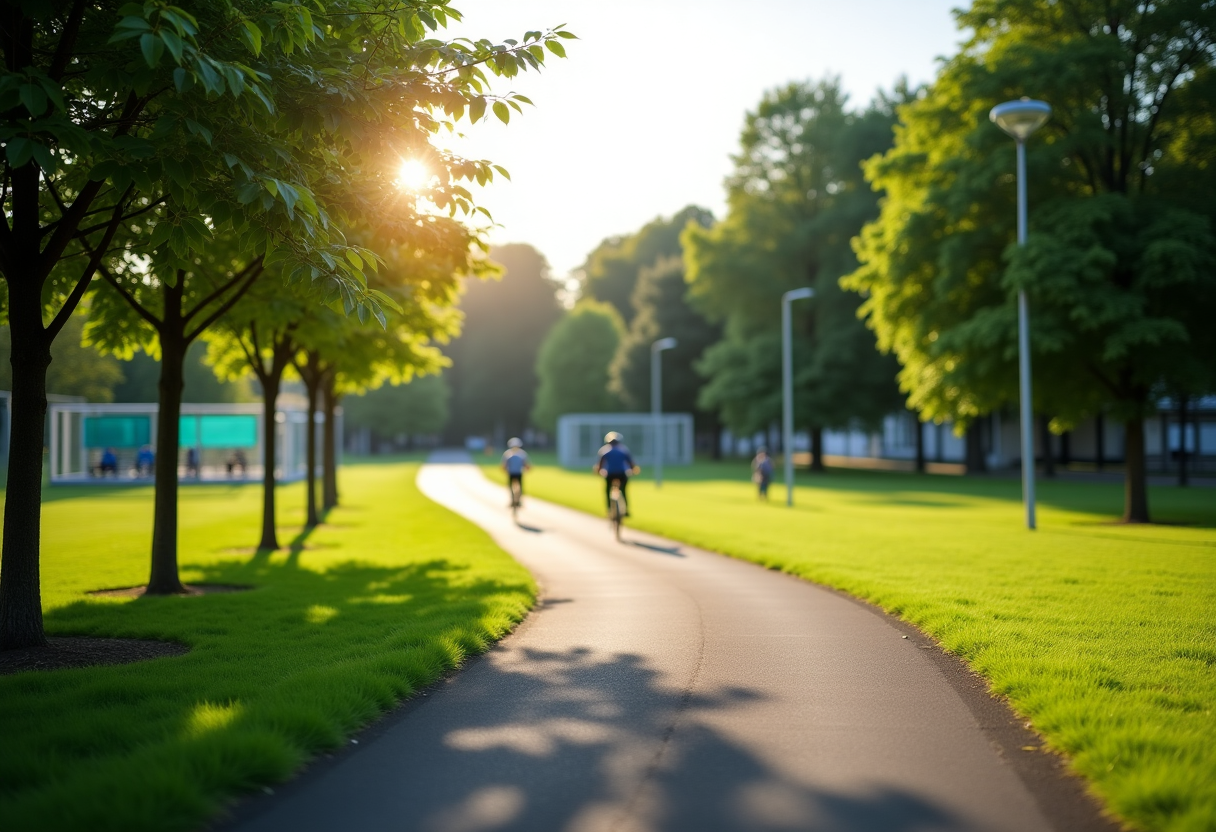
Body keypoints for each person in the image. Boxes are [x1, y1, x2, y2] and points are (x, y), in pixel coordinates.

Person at [594, 432, 639, 516]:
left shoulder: (604, 450)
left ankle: (609, 509)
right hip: (622, 474)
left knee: (607, 490)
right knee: (623, 490)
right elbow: (631, 464)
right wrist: (634, 470)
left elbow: (600, 465)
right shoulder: (624, 450)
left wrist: (598, 472)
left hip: (610, 474)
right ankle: (626, 510)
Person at [501, 437, 530, 506]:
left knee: (511, 486)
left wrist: (504, 469)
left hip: (511, 473)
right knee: (519, 486)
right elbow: (526, 464)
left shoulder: (507, 453)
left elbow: (504, 465)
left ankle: (513, 499)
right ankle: (517, 500)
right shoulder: (522, 454)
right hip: (518, 473)